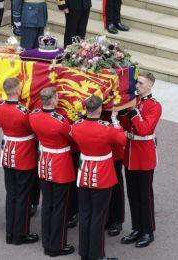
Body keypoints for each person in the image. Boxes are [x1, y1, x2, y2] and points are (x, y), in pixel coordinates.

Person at [71, 95, 126, 260]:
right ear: (101, 109)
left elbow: (73, 135)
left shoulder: (77, 125)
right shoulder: (106, 127)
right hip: (102, 174)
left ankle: (85, 253)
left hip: (84, 173)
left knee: (86, 214)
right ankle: (96, 255)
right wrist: (115, 120)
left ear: (86, 108)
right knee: (98, 217)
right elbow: (121, 140)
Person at [0, 78, 40, 245]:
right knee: (23, 196)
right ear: (18, 90)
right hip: (24, 154)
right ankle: (20, 234)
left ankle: (10, 232)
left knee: (11, 195)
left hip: (8, 152)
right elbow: (34, 129)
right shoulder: (23, 112)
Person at [29, 87, 76, 257]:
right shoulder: (60, 120)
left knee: (47, 204)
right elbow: (72, 136)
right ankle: (57, 245)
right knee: (59, 208)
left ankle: (47, 242)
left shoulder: (33, 115)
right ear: (54, 100)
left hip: (44, 162)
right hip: (60, 164)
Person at [119, 71, 162, 248]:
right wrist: (122, 111)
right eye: (137, 82)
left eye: (141, 83)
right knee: (133, 194)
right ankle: (137, 228)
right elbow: (124, 125)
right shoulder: (134, 101)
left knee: (145, 196)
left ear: (150, 86)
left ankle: (148, 230)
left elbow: (144, 129)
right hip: (130, 152)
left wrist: (133, 112)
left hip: (144, 154)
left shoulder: (155, 106)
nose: (137, 86)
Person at [101, 111, 125, 237]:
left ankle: (117, 220)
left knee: (116, 187)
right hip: (99, 150)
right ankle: (106, 217)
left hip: (114, 150)